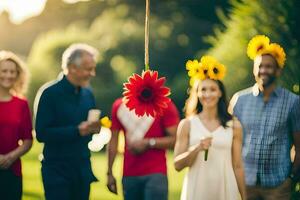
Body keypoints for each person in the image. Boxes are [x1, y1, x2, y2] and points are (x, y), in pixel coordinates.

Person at [229, 35, 300, 200]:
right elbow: (230, 141)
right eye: (260, 66)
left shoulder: (293, 102)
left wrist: (291, 180)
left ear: (278, 70)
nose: (263, 70)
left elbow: (299, 146)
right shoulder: (239, 100)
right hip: (245, 183)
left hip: (278, 185)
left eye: (269, 66)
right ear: (254, 69)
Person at [34, 43, 101, 200]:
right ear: (71, 67)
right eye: (88, 69)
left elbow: (88, 134)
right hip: (56, 170)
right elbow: (41, 134)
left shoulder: (88, 93)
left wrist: (93, 130)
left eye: (93, 68)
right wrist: (77, 130)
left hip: (82, 168)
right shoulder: (49, 93)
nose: (92, 73)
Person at [174, 56, 246, 200]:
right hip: (196, 190)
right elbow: (177, 165)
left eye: (212, 89)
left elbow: (237, 166)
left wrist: (244, 196)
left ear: (220, 93)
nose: (207, 94)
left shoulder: (234, 126)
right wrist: (196, 148)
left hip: (225, 190)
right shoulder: (187, 125)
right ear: (197, 93)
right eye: (203, 90)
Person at [107, 97, 180, 200]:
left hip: (156, 174)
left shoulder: (164, 104)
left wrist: (149, 143)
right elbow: (113, 140)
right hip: (129, 174)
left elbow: (175, 140)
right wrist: (109, 173)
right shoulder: (119, 106)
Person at [0, 51, 33, 200]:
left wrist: (9, 157)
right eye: (4, 71)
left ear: (18, 75)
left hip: (12, 170)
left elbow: (28, 140)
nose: (8, 75)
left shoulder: (21, 104)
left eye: (12, 72)